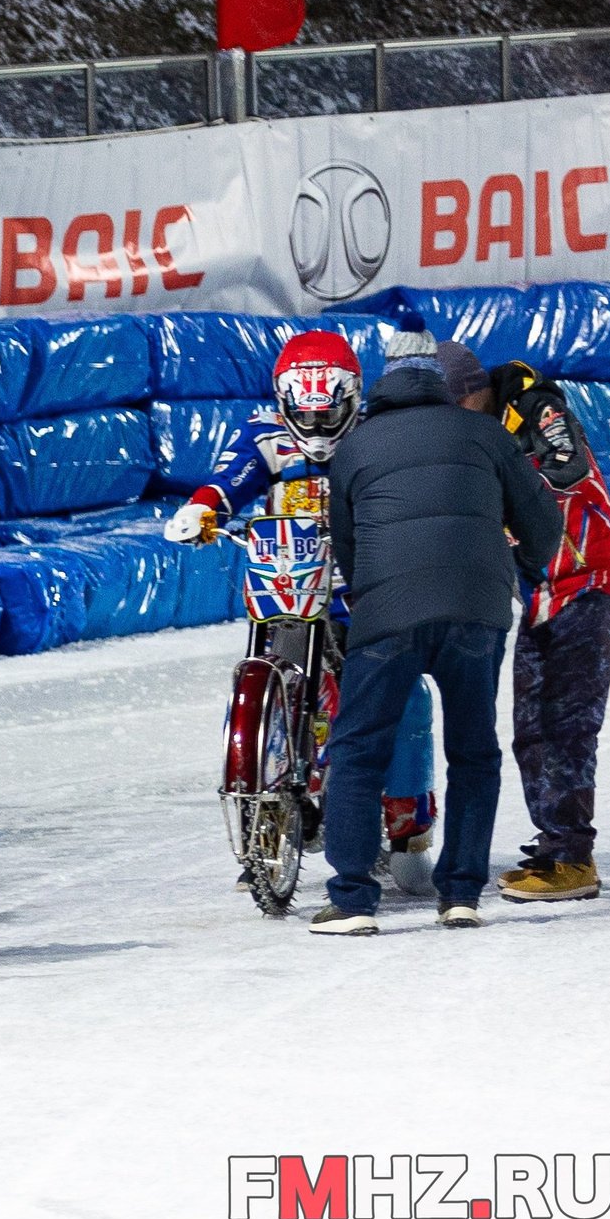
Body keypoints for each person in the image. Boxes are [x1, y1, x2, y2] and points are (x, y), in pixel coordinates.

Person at [164, 331, 442, 887]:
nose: (316, 429)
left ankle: (408, 828)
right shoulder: (265, 436)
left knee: (406, 697)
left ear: (353, 396)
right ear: (284, 400)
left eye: (329, 412)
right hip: (288, 591)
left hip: (367, 590)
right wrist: (203, 509)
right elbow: (231, 478)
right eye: (305, 414)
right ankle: (264, 817)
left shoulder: (381, 434)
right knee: (262, 692)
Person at [311, 330, 561, 935]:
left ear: (384, 381)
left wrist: (373, 592)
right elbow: (544, 521)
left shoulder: (355, 446)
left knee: (357, 748)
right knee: (473, 749)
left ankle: (351, 900)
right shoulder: (487, 434)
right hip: (477, 608)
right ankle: (461, 893)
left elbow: (345, 545)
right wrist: (521, 572)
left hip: (387, 613)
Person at [461, 350, 610, 902]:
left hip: (588, 577)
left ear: (474, 391)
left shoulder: (536, 405)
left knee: (567, 723)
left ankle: (573, 858)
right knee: (531, 728)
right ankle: (556, 843)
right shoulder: (477, 432)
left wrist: (504, 487)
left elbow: (569, 466)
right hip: (540, 591)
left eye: (457, 401)